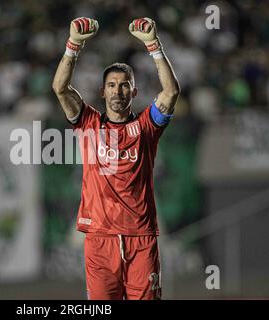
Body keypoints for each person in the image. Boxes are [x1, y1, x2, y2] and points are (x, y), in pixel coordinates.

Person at [52, 17, 180, 300]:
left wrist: (152, 45)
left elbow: (171, 92)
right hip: (99, 240)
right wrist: (73, 46)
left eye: (124, 85)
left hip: (141, 239)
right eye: (111, 85)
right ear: (102, 91)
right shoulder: (88, 123)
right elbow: (60, 88)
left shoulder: (147, 127)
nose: (118, 91)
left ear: (134, 91)